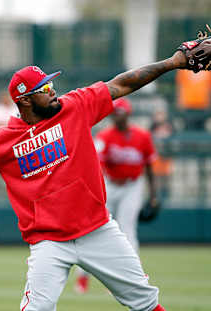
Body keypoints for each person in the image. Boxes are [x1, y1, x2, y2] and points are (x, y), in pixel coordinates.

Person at [0, 49, 192, 310]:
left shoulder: (74, 107)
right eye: (44, 89)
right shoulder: (1, 142)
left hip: (97, 229)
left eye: (50, 84)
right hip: (49, 243)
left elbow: (121, 84)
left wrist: (172, 62)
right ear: (25, 101)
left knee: (146, 302)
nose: (52, 91)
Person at [75, 97, 158, 294]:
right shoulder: (104, 137)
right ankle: (82, 278)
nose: (116, 117)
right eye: (114, 113)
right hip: (109, 185)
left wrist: (154, 195)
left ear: (128, 114)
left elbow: (149, 167)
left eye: (120, 113)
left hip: (132, 186)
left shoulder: (143, 136)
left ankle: (131, 278)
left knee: (128, 230)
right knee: (92, 230)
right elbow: (97, 166)